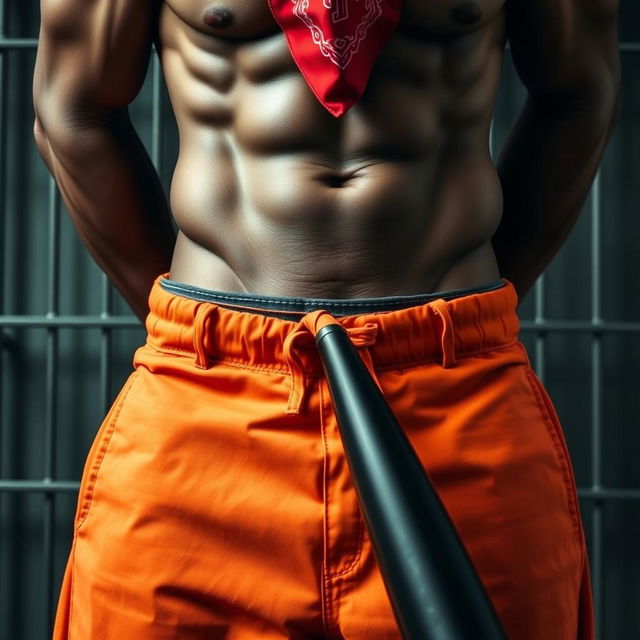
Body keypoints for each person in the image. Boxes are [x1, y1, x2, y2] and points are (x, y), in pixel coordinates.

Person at [32, 0, 620, 638]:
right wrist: (198, 330)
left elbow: (580, 92)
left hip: (456, 401)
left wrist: (462, 318)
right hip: (207, 405)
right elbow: (72, 106)